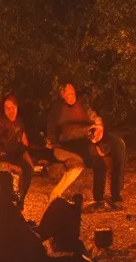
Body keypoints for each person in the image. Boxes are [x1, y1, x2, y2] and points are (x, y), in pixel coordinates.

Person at [46, 82, 126, 210]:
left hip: (93, 132)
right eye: (66, 93)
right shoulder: (58, 110)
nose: (70, 96)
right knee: (97, 158)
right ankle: (99, 198)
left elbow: (95, 117)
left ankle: (115, 195)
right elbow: (64, 134)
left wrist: (99, 126)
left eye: (72, 92)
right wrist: (88, 132)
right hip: (78, 140)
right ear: (61, 94)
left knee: (119, 144)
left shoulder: (83, 104)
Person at [0, 94, 35, 208]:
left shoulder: (19, 121)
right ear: (4, 110)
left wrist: (23, 137)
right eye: (7, 108)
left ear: (17, 107)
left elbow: (20, 139)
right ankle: (9, 201)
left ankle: (20, 200)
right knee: (19, 170)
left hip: (16, 153)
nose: (11, 111)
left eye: (13, 107)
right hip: (4, 155)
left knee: (28, 169)